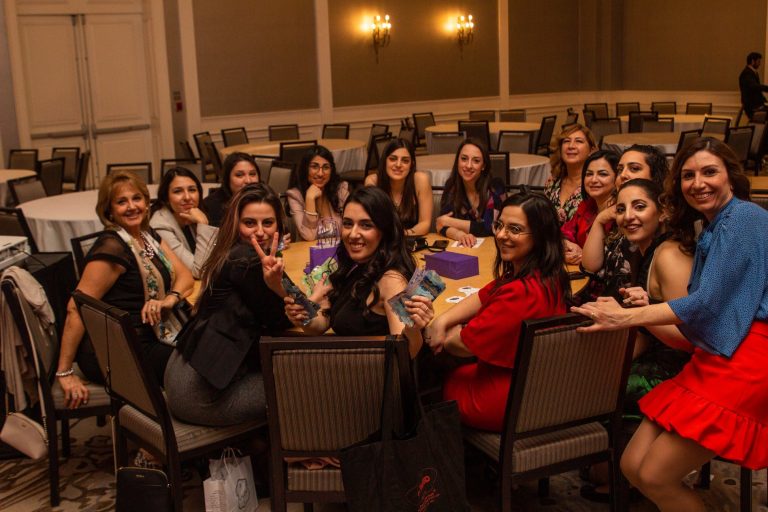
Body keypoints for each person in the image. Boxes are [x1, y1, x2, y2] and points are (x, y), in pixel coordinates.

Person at [573, 138, 768, 511]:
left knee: (654, 476)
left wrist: (626, 316)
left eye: (709, 172)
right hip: (720, 351)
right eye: (688, 175)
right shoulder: (712, 227)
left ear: (730, 176)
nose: (698, 183)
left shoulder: (743, 217)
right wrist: (649, 307)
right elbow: (716, 305)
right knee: (632, 465)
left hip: (749, 357)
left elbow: (706, 304)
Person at [580, 178, 694, 502]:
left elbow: (690, 339)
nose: (628, 216)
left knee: (594, 387)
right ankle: (614, 470)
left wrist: (636, 314)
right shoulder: (645, 250)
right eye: (621, 209)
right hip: (660, 357)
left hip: (679, 371)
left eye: (639, 206)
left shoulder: (669, 255)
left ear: (663, 212)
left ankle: (624, 476)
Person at [424, 192, 570, 431]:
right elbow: (484, 295)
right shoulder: (545, 275)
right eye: (499, 225)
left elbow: (462, 345)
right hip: (535, 387)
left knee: (432, 377)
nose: (501, 235)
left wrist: (444, 333)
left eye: (515, 229)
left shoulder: (521, 293)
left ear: (540, 235)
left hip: (502, 401)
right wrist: (443, 320)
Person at [56, 171, 194, 409]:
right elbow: (75, 309)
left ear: (146, 203)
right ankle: (171, 427)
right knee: (195, 368)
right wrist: (65, 371)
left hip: (152, 334)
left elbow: (185, 276)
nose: (131, 207)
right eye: (121, 202)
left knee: (208, 349)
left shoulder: (147, 238)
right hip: (117, 350)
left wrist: (169, 300)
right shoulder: (113, 249)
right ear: (109, 211)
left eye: (136, 198)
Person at [164, 184, 291, 426]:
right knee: (306, 383)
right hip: (198, 395)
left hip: (182, 371)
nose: (260, 232)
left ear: (279, 225)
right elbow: (286, 318)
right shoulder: (247, 260)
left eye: (268, 223)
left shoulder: (228, 249)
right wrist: (315, 298)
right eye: (250, 223)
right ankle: (286, 448)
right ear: (235, 223)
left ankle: (259, 444)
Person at [257, 187, 433, 358]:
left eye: (366, 225)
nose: (353, 234)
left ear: (384, 230)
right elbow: (320, 325)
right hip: (343, 367)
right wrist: (281, 286)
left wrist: (413, 329)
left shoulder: (391, 280)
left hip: (366, 374)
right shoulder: (352, 266)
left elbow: (405, 354)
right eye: (348, 224)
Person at [580, 144, 670, 301]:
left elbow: (678, 311)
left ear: (655, 176)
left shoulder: (659, 221)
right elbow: (590, 266)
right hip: (615, 305)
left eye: (634, 168)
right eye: (620, 170)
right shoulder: (621, 214)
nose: (623, 175)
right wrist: (599, 220)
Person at [149, 167, 217, 278]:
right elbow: (199, 272)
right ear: (166, 198)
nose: (187, 197)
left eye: (192, 190)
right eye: (178, 191)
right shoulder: (160, 226)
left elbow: (218, 261)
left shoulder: (193, 215)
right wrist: (203, 225)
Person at [435, 139, 503, 247]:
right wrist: (460, 235)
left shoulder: (495, 186)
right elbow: (441, 226)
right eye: (464, 159)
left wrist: (450, 222)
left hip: (494, 248)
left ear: (483, 166)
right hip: (465, 249)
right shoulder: (452, 186)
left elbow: (492, 228)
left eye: (476, 161)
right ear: (457, 161)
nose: (468, 165)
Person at [560, 150, 619, 264]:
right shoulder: (587, 205)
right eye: (589, 174)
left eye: (602, 174)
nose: (593, 180)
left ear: (617, 178)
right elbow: (564, 233)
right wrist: (567, 246)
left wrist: (586, 256)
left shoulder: (619, 213)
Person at [364, 139, 432, 236]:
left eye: (405, 161)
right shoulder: (373, 182)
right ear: (384, 161)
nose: (398, 165)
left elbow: (425, 223)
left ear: (411, 165)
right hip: (382, 240)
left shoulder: (420, 180)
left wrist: (403, 235)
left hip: (411, 239)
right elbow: (371, 223)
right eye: (393, 159)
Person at [285, 145, 349, 241]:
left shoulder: (340, 190)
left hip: (340, 248)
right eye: (314, 167)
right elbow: (309, 236)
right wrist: (309, 199)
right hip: (310, 250)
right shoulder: (295, 196)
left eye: (326, 167)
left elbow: (350, 227)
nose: (320, 173)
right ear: (305, 169)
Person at [544, 123, 598, 224]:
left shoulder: (595, 185)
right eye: (566, 141)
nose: (571, 146)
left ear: (591, 150)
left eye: (579, 141)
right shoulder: (553, 182)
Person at [203, 152, 260, 227]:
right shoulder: (211, 207)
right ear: (227, 179)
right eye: (239, 175)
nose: (248, 181)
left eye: (252, 174)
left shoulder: (266, 200)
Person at [739, 51, 768, 119]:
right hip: (752, 107)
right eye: (758, 61)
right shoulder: (747, 73)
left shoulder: (752, 72)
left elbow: (757, 90)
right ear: (752, 61)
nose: (760, 64)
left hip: (756, 105)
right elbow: (754, 86)